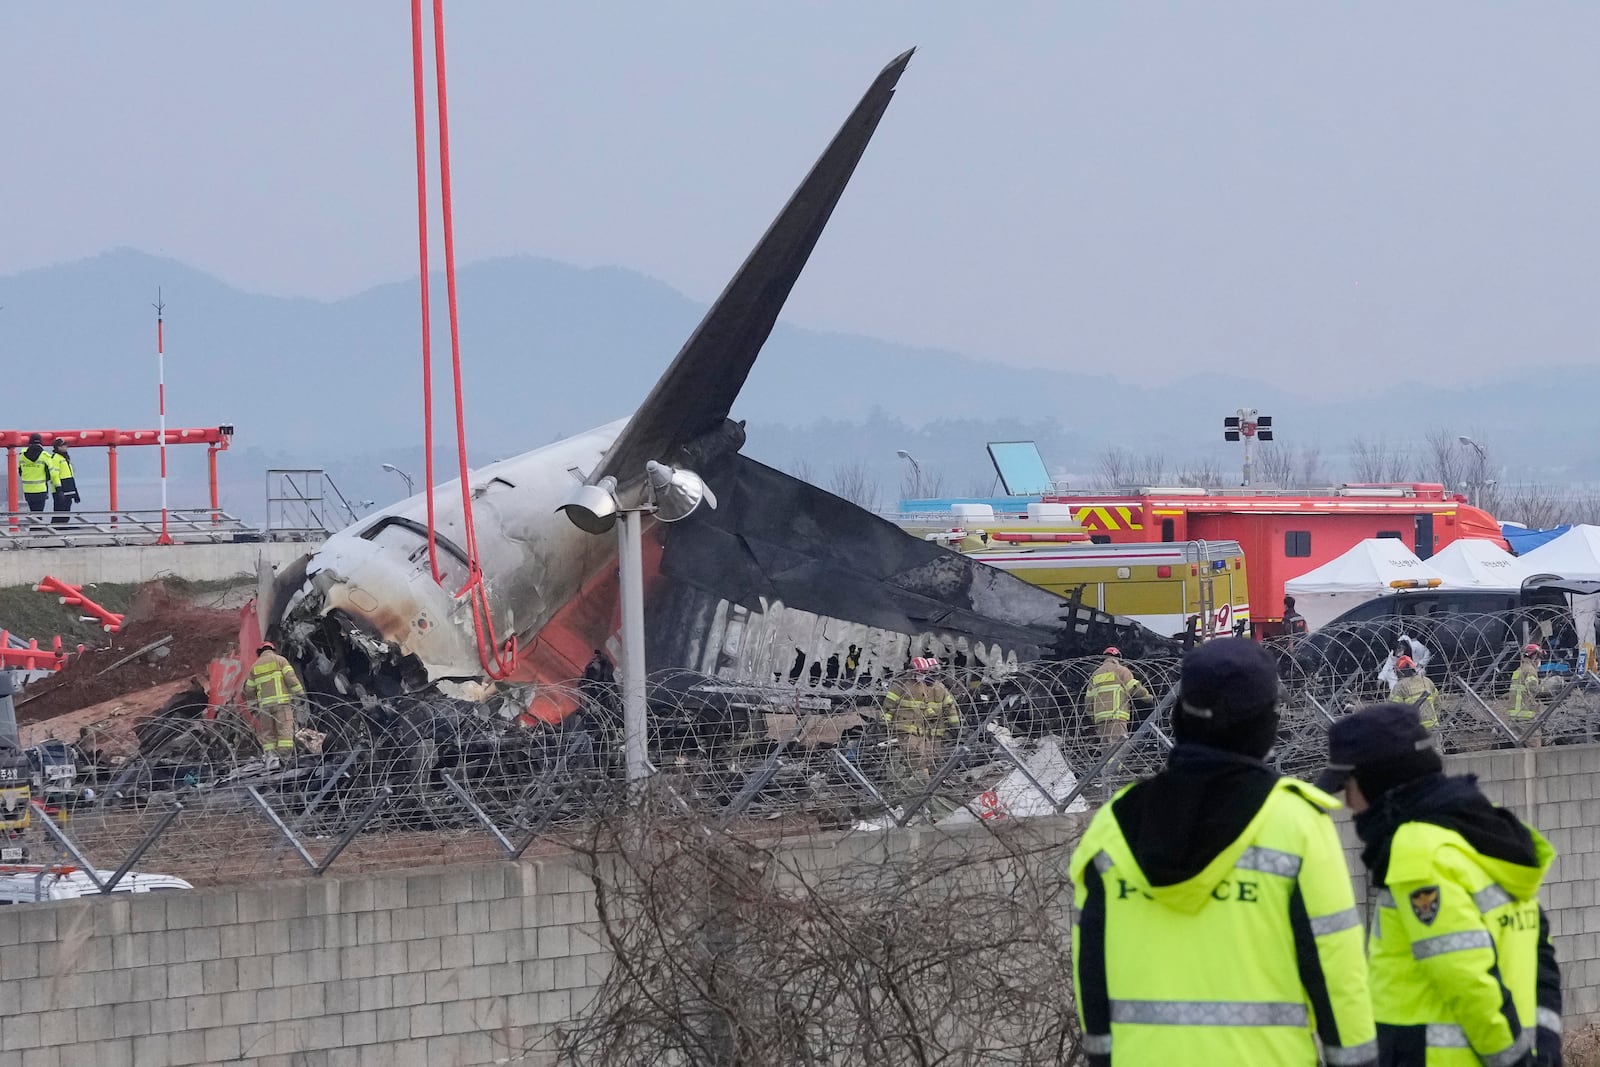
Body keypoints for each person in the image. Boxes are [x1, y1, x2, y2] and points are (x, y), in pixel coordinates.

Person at [1069, 638, 1376, 1066]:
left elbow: (1091, 978)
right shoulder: (1295, 824)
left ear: (1177, 717)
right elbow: (1337, 979)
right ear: (1264, 726)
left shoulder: (1113, 825)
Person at [1314, 703, 1561, 1067]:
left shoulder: (1418, 849)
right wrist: (1542, 1051)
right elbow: (1541, 955)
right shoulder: (1480, 828)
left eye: (1348, 784)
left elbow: (1465, 974)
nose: (1348, 803)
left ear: (1377, 781)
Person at [882, 656, 959, 777]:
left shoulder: (929, 686)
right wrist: (885, 722)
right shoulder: (901, 685)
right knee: (916, 756)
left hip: (925, 729)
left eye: (925, 673)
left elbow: (946, 706)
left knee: (930, 757)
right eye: (921, 673)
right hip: (905, 727)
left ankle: (926, 780)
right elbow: (889, 705)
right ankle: (919, 781)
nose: (923, 676)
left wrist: (954, 724)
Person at [242, 641, 306, 768]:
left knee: (268, 734)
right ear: (273, 649)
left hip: (264, 707)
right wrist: (300, 693)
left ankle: (272, 760)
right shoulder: (280, 660)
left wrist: (254, 705)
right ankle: (284, 761)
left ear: (260, 652)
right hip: (281, 704)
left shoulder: (254, 667)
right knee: (285, 732)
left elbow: (248, 690)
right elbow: (291, 678)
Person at [1083, 647, 1153, 759]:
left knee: (1106, 750)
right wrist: (1148, 697)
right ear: (1118, 658)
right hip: (1116, 716)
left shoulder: (1096, 674)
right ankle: (1115, 773)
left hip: (1100, 719)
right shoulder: (1121, 670)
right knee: (1118, 748)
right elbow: (1134, 688)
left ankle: (1105, 774)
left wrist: (1093, 716)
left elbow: (1088, 700)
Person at [1389, 656, 1440, 730]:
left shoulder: (1400, 686)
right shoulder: (1427, 681)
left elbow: (1393, 711)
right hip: (1433, 727)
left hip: (1413, 731)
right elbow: (1437, 704)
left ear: (1401, 671)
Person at [1509, 643, 1545, 747]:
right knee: (1535, 747)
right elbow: (1533, 689)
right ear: (1534, 656)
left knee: (1519, 749)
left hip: (1514, 717)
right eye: (1539, 657)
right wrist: (1547, 688)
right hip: (1526, 717)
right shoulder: (1530, 670)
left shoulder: (1518, 670)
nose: (1539, 661)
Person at [16, 433, 52, 521]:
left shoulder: (22, 456)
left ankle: (34, 528)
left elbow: (20, 471)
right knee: (39, 513)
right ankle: (37, 531)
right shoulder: (44, 455)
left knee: (33, 512)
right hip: (41, 489)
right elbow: (50, 473)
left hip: (27, 489)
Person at [46, 438, 78, 527]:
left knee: (67, 508)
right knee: (60, 509)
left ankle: (63, 525)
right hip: (60, 488)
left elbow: (70, 475)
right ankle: (57, 527)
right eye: (63, 445)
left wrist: (75, 493)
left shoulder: (65, 458)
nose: (66, 447)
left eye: (66, 445)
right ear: (58, 447)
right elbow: (54, 474)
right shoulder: (56, 458)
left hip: (68, 487)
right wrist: (58, 489)